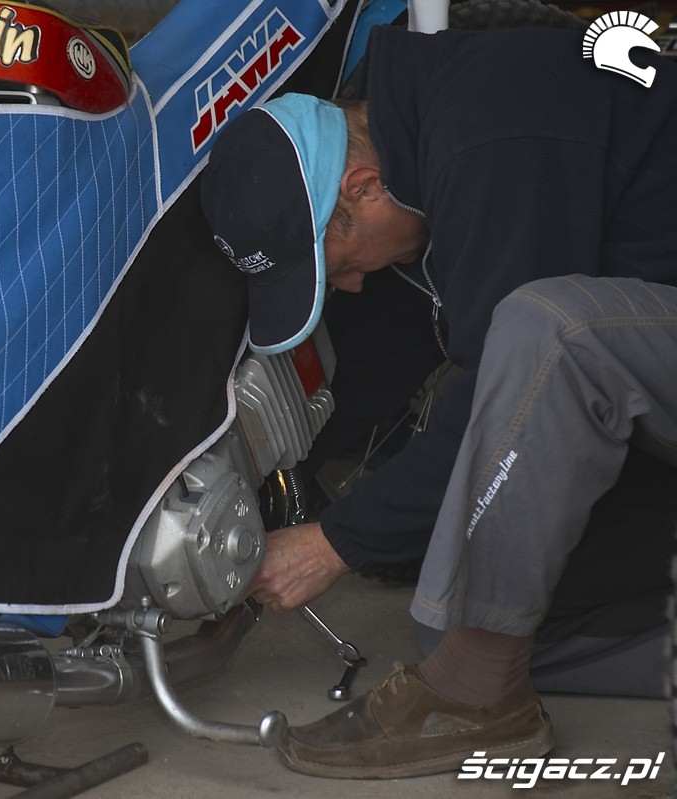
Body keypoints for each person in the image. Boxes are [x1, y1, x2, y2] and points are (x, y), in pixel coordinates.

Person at [199, 24, 677, 778]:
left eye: (333, 265)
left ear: (362, 188)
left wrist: (332, 543)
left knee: (547, 331)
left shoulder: (494, 137)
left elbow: (508, 388)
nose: (349, 285)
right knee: (476, 603)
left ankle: (478, 703)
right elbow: (379, 374)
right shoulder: (421, 141)